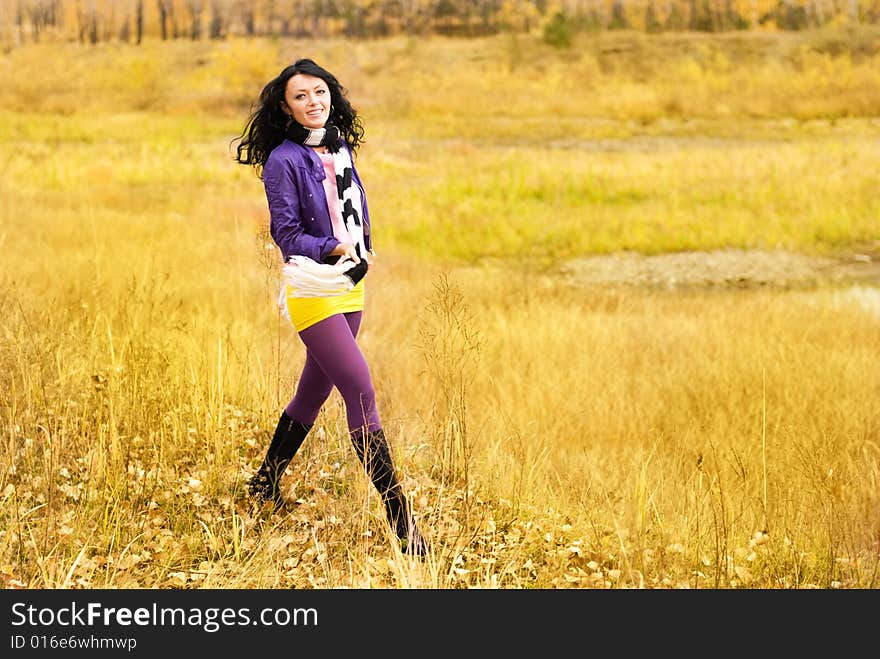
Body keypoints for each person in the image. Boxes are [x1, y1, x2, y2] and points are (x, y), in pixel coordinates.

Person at [233, 58, 429, 557]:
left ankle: (263, 483)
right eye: (301, 96)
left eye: (319, 92)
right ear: (285, 107)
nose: (313, 102)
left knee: (311, 393)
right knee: (360, 390)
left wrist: (359, 247)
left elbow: (355, 211)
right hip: (313, 286)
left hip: (349, 285)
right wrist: (334, 248)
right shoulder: (282, 160)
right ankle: (403, 524)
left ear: (331, 96)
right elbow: (287, 233)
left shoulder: (338, 148)